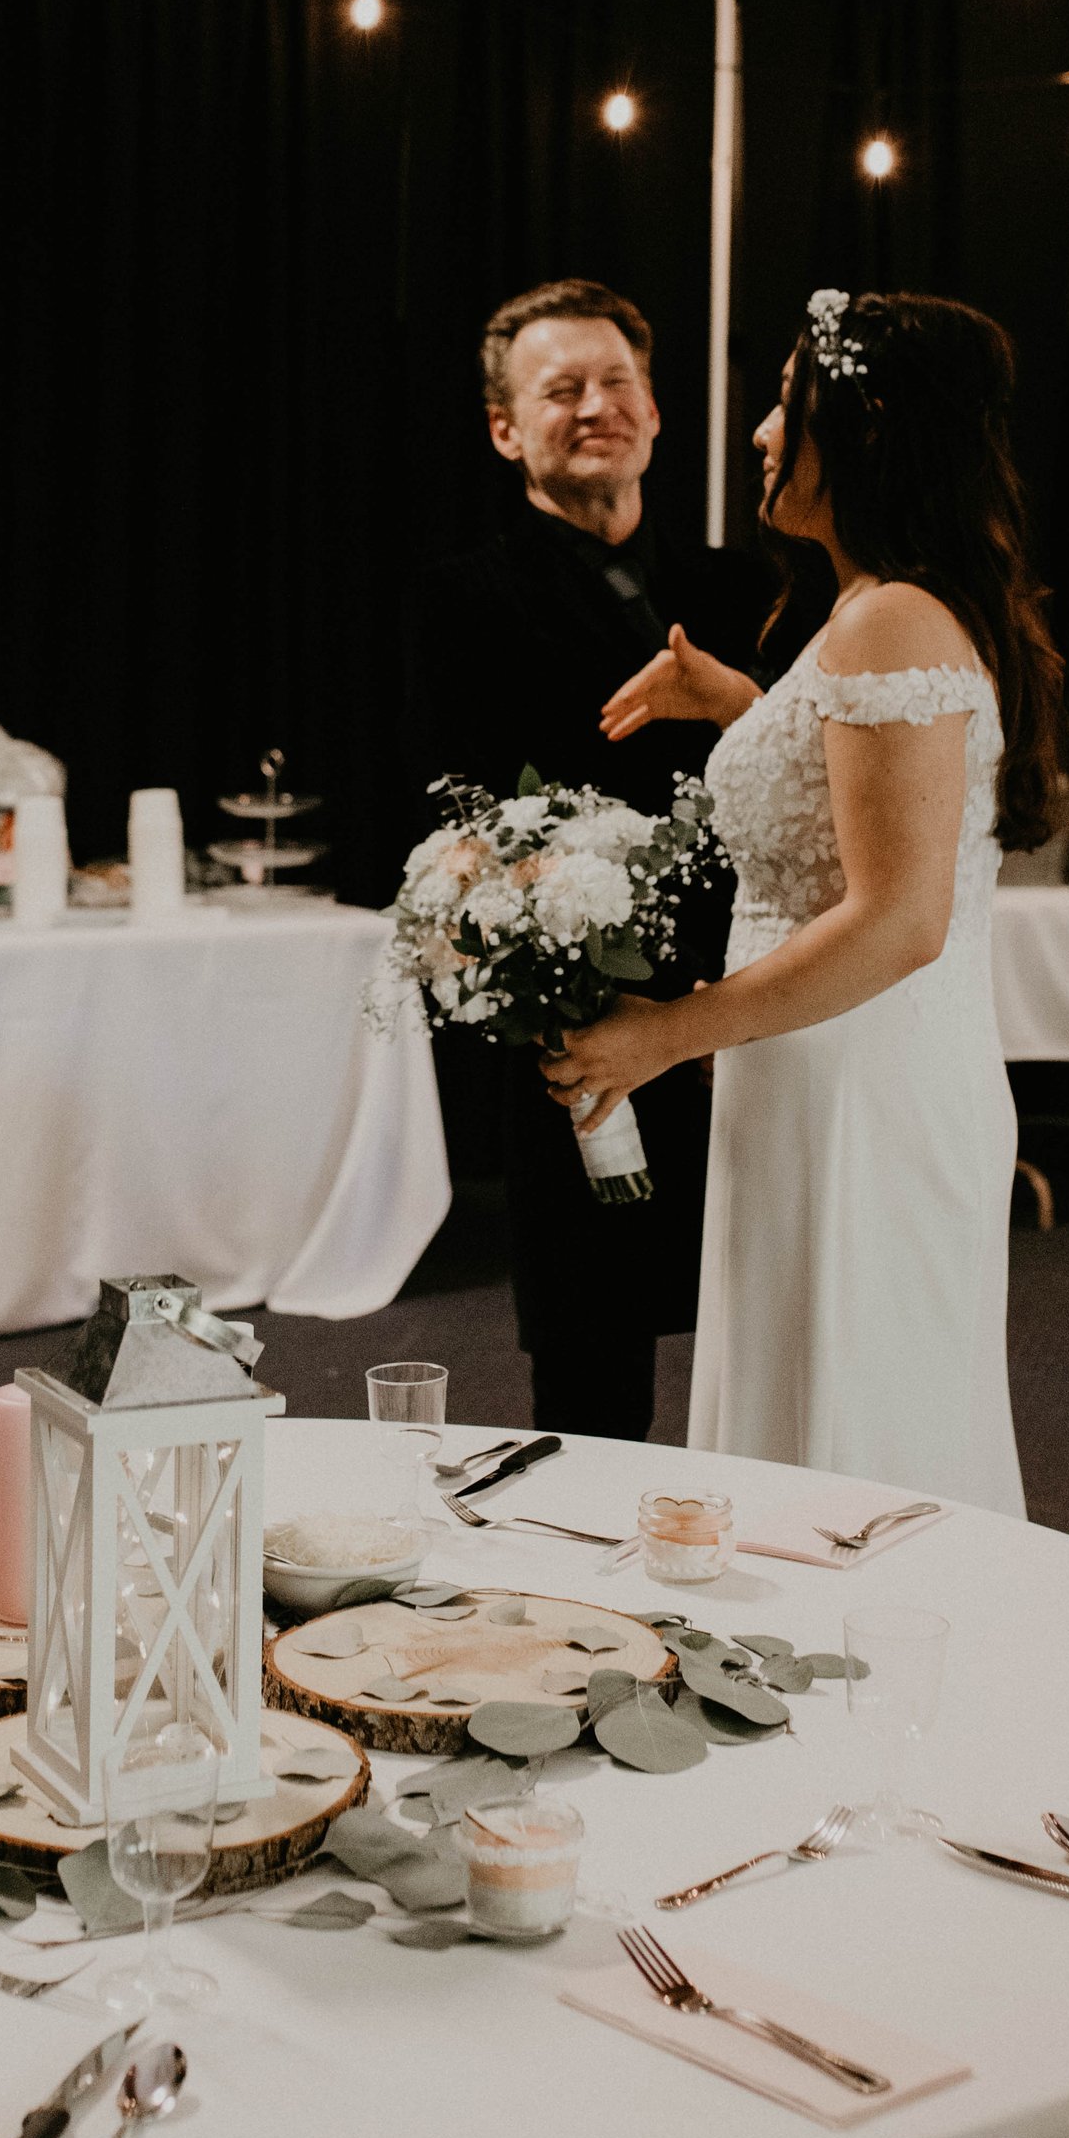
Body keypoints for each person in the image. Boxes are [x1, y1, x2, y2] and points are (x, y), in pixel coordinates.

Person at [542, 289, 1064, 1511]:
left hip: (862, 1094)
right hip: (820, 1077)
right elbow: (847, 817)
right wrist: (744, 708)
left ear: (867, 429)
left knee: (858, 1447)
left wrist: (666, 1034)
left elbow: (897, 920)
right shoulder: (881, 607)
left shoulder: (891, 619)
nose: (766, 432)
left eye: (788, 403)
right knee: (810, 1418)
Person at [408, 279, 760, 1441]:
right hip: (580, 1017)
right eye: (561, 390)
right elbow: (451, 825)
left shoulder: (744, 589)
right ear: (507, 430)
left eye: (617, 384)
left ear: (657, 413)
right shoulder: (461, 599)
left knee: (771, 1338)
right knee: (593, 1372)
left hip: (759, 1009)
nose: (596, 406)